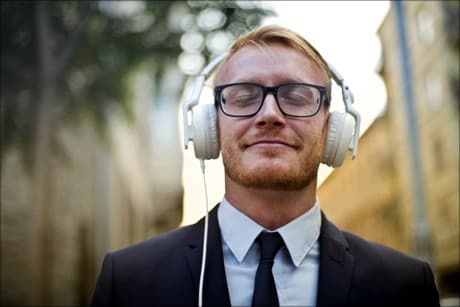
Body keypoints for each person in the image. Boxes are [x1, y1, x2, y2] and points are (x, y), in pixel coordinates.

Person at [91, 25, 440, 307]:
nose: (269, 115)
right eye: (244, 97)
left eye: (296, 96)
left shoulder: (405, 286)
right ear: (210, 126)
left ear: (332, 130)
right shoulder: (127, 280)